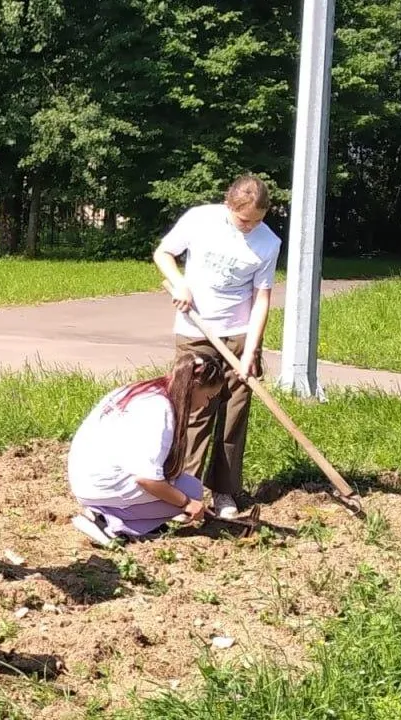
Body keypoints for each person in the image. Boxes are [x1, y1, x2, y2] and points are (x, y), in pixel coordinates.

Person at [152, 175, 281, 520]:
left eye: (258, 220)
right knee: (194, 411)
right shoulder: (200, 219)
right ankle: (185, 490)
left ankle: (224, 490)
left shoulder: (268, 243)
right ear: (229, 205)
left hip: (239, 334)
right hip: (195, 330)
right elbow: (163, 253)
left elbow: (261, 299)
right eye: (244, 220)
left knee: (234, 414)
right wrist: (180, 284)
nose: (250, 227)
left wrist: (250, 353)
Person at [68, 354, 225, 546]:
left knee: (182, 485)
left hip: (86, 473)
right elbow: (147, 478)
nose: (205, 404)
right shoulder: (160, 410)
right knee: (191, 490)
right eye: (207, 396)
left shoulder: (146, 390)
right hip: (101, 485)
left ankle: (125, 517)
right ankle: (108, 522)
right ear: (194, 385)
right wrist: (187, 503)